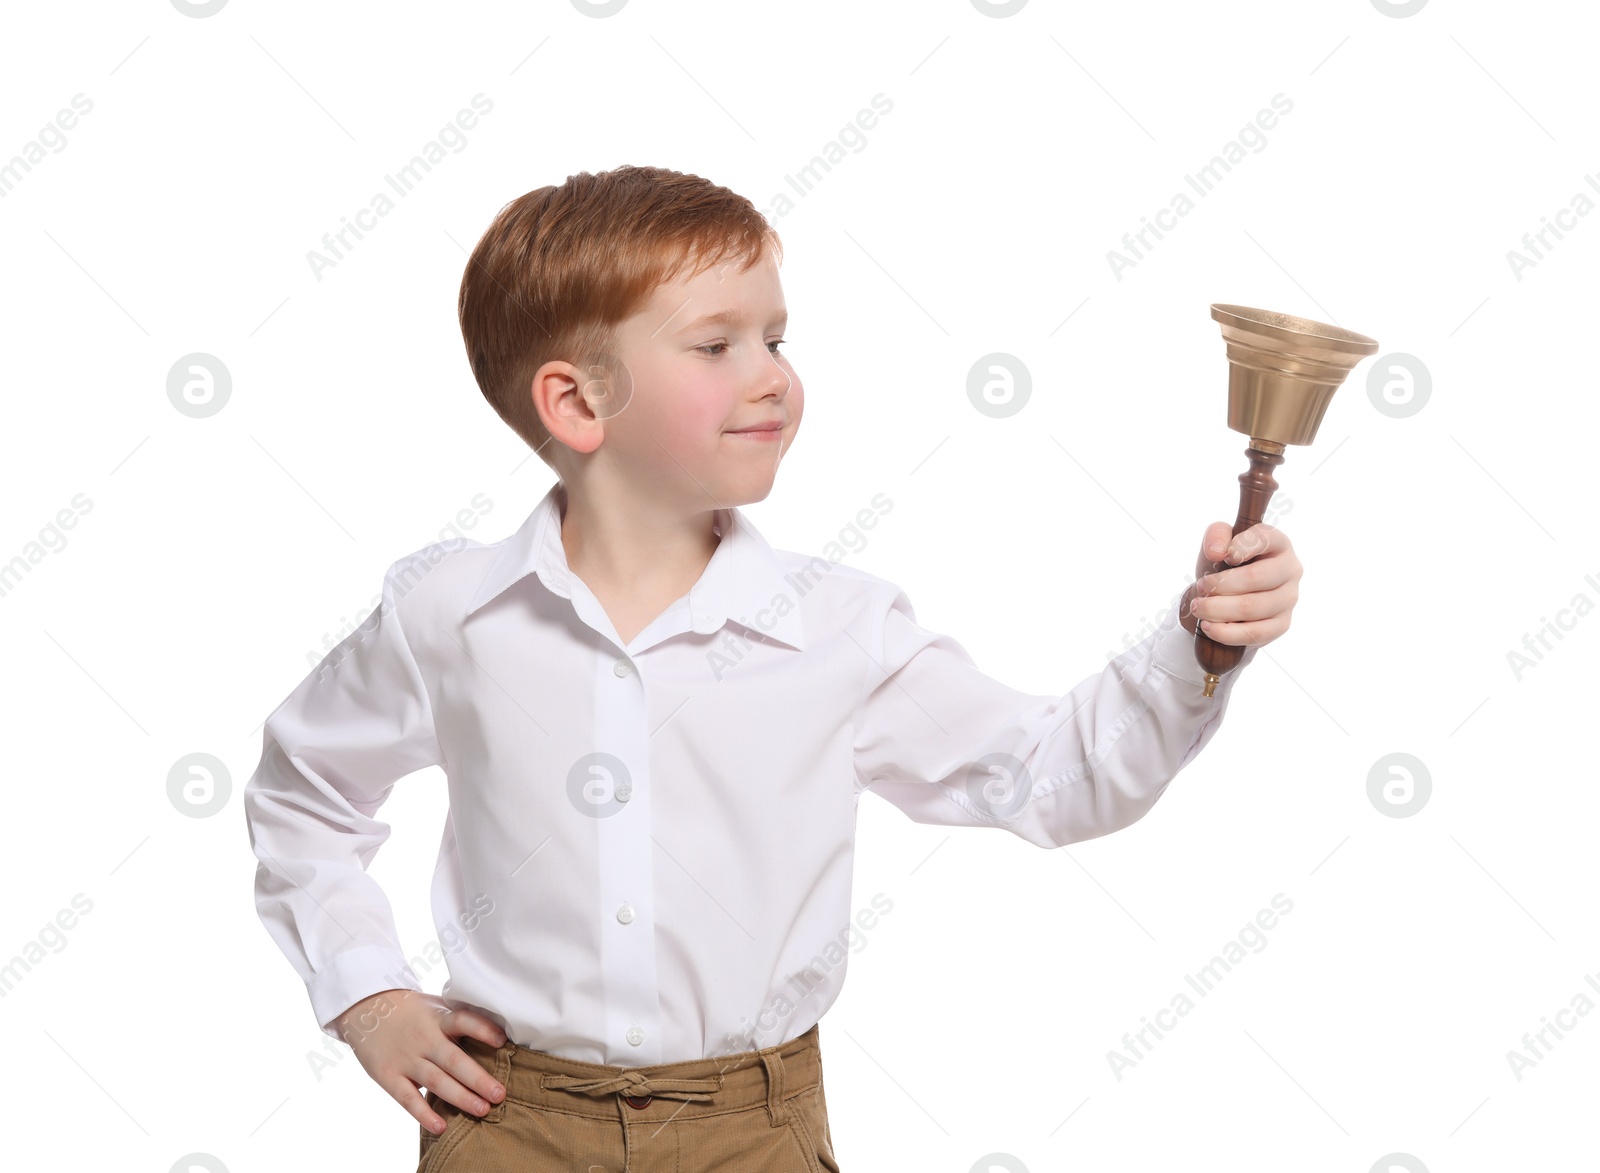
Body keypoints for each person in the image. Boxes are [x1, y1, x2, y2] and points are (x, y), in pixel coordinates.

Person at [242, 164, 1297, 1172]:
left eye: (776, 336)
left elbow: (1057, 778)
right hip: (510, 1126)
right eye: (715, 345)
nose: (774, 377)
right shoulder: (451, 613)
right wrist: (367, 997)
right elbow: (305, 793)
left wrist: (1198, 648)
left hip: (752, 1134)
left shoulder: (839, 629)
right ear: (575, 404)